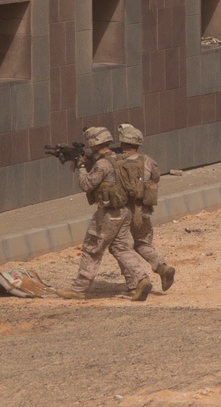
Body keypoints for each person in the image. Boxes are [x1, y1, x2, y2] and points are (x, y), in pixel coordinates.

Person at [56, 126, 152, 302]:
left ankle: (79, 289)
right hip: (125, 212)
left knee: (92, 249)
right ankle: (140, 280)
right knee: (122, 248)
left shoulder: (102, 165)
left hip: (109, 215)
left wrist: (82, 167)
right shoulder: (119, 158)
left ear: (93, 143)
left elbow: (86, 185)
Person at [117, 123, 176, 292]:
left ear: (122, 142)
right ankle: (162, 267)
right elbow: (155, 179)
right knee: (143, 243)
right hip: (143, 211)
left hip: (122, 213)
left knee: (123, 248)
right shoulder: (149, 161)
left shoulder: (116, 162)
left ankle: (135, 284)